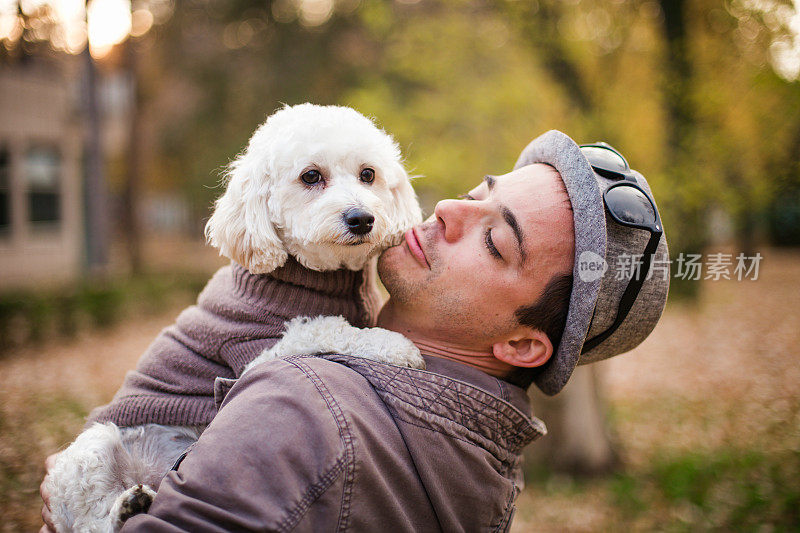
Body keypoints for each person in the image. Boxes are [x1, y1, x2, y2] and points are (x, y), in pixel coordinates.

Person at [41, 130, 669, 532]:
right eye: (480, 190)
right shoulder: (486, 464)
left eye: (494, 240)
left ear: (525, 346)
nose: (449, 208)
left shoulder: (303, 407)